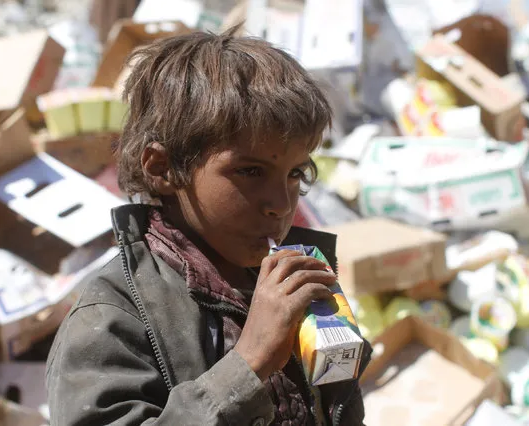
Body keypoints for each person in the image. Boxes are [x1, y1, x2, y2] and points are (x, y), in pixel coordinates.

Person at [46, 27, 371, 426]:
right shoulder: (113, 317)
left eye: (295, 173)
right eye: (250, 171)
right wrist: (247, 365)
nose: (282, 205)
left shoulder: (292, 286)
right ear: (162, 168)